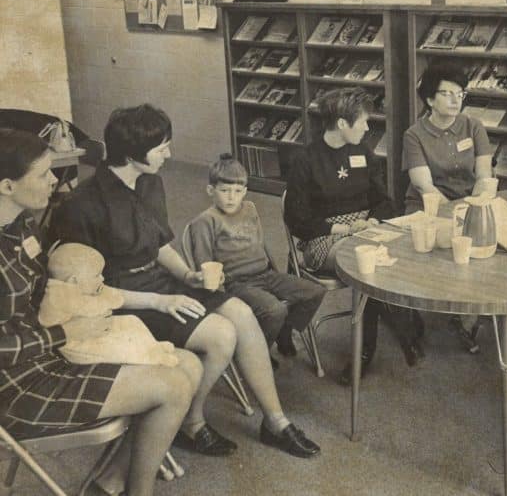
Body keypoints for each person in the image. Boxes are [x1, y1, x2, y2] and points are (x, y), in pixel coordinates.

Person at [52, 104, 320, 459]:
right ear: (132, 153)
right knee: (221, 335)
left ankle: (276, 421)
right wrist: (160, 301)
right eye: (162, 148)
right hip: (124, 300)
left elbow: (160, 244)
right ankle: (191, 421)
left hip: (159, 281)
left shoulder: (150, 181)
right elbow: (86, 293)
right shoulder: (82, 204)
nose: (169, 154)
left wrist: (187, 275)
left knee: (242, 313)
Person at [0, 128, 200, 496]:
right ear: (7, 186)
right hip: (16, 385)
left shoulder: (21, 226)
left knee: (189, 365)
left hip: (53, 351)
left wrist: (92, 303)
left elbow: (55, 290)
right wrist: (65, 333)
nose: (54, 181)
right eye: (43, 175)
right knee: (172, 386)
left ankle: (108, 484)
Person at [283, 88, 406, 385]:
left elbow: (384, 200)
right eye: (362, 121)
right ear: (341, 123)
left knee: (402, 252)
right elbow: (297, 220)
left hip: (364, 228)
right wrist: (344, 230)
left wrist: (372, 220)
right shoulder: (305, 160)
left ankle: (403, 328)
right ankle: (365, 352)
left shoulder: (363, 152)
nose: (367, 127)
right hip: (323, 236)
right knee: (368, 264)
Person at [186, 153, 327, 362]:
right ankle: (257, 351)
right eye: (224, 191)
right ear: (211, 191)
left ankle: (283, 330)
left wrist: (273, 272)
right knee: (274, 310)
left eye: (237, 191)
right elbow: (205, 265)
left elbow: (259, 244)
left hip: (265, 274)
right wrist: (221, 297)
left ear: (245, 191)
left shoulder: (250, 208)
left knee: (314, 291)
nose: (231, 197)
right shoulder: (205, 221)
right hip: (235, 282)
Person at [403, 63, 494, 353]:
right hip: (427, 206)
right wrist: (457, 213)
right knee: (442, 245)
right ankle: (416, 316)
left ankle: (467, 316)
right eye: (447, 94)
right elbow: (423, 185)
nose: (456, 100)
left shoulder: (473, 126)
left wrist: (475, 206)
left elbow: (484, 175)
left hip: (468, 202)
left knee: (486, 239)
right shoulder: (414, 134)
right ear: (430, 99)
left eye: (460, 93)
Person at [40, 243, 179, 367]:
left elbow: (106, 297)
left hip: (92, 327)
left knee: (131, 321)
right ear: (74, 280)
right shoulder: (57, 297)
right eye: (96, 275)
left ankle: (151, 345)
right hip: (79, 344)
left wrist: (110, 297)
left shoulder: (78, 287)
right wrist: (108, 300)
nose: (102, 278)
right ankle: (152, 358)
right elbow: (93, 307)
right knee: (117, 346)